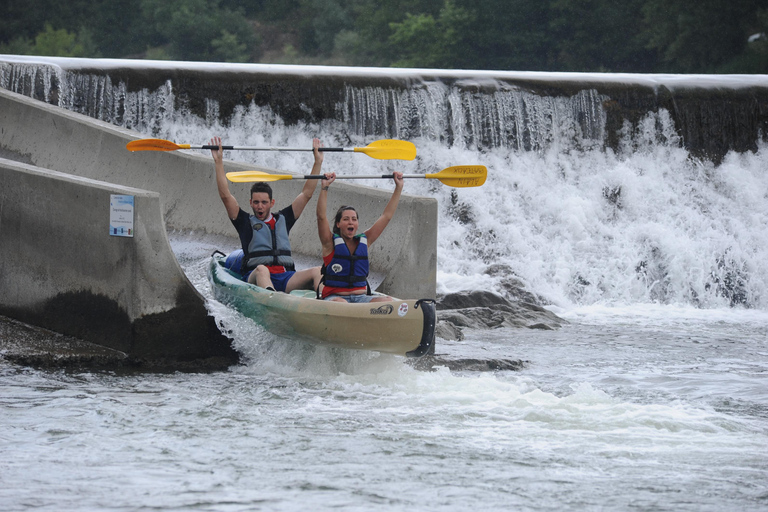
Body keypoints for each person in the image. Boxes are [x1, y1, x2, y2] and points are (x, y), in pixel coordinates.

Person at [211, 136, 323, 293]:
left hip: (285, 277)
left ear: (272, 203)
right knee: (262, 269)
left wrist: (317, 162)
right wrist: (218, 162)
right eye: (256, 202)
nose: (259, 206)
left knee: (317, 271)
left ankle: (327, 301)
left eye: (264, 202)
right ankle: (271, 299)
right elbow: (225, 196)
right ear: (250, 203)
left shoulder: (284, 219)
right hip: (256, 276)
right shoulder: (244, 222)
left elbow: (306, 194)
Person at [316, 171, 404, 302]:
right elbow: (321, 217)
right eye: (346, 219)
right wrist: (324, 187)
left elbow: (386, 216)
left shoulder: (365, 240)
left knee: (388, 302)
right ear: (338, 224)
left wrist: (398, 188)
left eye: (354, 219)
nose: (351, 222)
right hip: (335, 298)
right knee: (341, 304)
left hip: (361, 298)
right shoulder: (329, 243)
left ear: (357, 223)